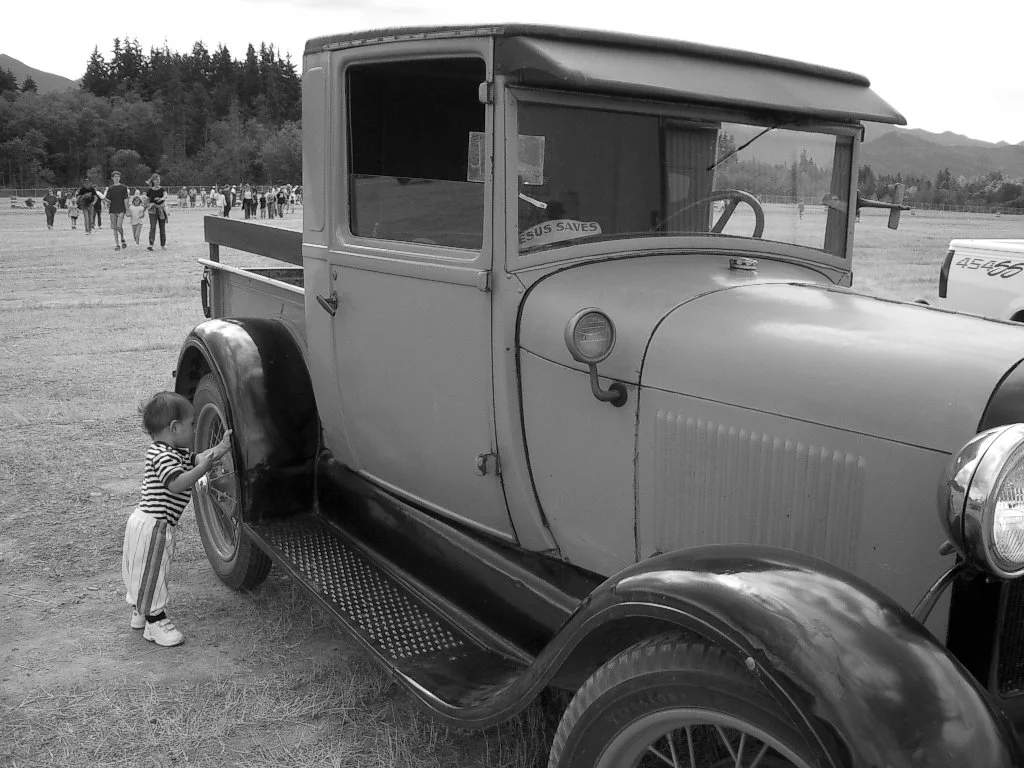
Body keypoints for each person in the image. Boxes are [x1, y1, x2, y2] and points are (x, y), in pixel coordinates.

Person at [122, 392, 232, 647]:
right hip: (154, 526)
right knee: (154, 572)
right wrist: (201, 471)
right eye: (192, 424)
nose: (195, 429)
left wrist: (222, 447)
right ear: (174, 428)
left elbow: (202, 457)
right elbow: (176, 484)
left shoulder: (173, 451)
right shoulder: (162, 456)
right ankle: (155, 621)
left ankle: (141, 612)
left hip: (151, 523)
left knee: (143, 570)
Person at [104, 170, 130, 250]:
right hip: (112, 210)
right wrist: (103, 198)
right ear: (112, 178)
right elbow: (109, 200)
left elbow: (126, 199)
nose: (117, 178)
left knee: (119, 226)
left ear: (120, 177)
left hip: (121, 209)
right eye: (115, 176)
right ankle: (117, 244)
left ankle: (122, 238)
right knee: (114, 227)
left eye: (118, 176)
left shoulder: (123, 188)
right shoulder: (110, 189)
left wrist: (127, 209)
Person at [145, 174, 168, 251]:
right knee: (153, 227)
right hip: (152, 211)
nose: (158, 181)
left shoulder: (162, 189)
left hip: (161, 210)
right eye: (156, 179)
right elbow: (147, 202)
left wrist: (161, 199)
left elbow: (165, 195)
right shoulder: (150, 191)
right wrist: (147, 207)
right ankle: (151, 244)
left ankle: (163, 245)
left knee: (162, 228)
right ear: (153, 181)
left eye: (159, 179)